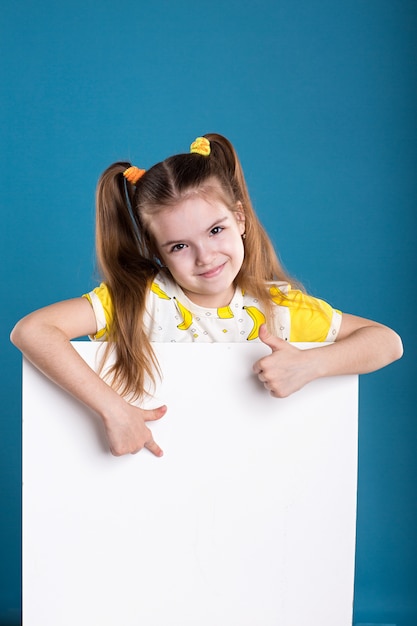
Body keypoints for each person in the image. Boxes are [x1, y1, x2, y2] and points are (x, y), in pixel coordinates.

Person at [10, 133, 403, 457]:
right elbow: (33, 330)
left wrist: (311, 365)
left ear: (240, 218)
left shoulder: (278, 309)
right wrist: (113, 409)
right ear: (157, 251)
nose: (206, 257)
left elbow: (387, 342)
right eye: (179, 246)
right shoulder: (138, 301)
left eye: (216, 230)